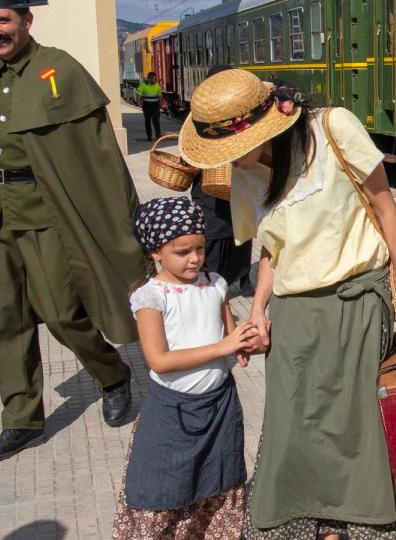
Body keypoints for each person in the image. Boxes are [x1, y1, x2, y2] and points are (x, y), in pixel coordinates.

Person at [178, 69, 396, 540]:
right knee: (293, 427)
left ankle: (354, 528)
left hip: (355, 304)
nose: (229, 160)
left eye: (233, 148)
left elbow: (386, 208)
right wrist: (257, 311)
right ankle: (310, 526)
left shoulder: (333, 128)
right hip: (292, 315)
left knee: (353, 427)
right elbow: (272, 251)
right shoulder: (243, 175)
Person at [0, 0, 144, 463]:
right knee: (4, 316)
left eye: (3, 20)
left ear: (26, 21)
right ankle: (21, 420)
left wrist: (126, 218)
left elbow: (97, 155)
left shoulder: (59, 69)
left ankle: (112, 373)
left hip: (43, 211)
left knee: (59, 312)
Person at [112, 197, 258, 540]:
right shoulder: (151, 296)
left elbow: (231, 337)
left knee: (217, 483)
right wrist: (222, 348)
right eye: (182, 252)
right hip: (171, 411)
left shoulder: (215, 284)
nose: (195, 258)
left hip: (220, 407)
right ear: (156, 252)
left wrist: (248, 342)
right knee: (161, 490)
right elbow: (159, 360)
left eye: (200, 248)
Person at [191, 65, 255, 297]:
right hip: (213, 189)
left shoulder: (239, 111)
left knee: (240, 231)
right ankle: (216, 284)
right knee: (219, 234)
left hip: (234, 184)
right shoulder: (201, 114)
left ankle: (240, 279)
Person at [136, 71, 162, 141]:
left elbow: (160, 95)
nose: (155, 80)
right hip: (147, 106)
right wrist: (138, 102)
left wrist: (161, 103)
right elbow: (138, 94)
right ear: (149, 78)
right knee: (147, 121)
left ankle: (158, 136)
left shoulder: (157, 85)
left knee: (156, 120)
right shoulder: (143, 85)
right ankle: (149, 136)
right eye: (154, 79)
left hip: (155, 105)